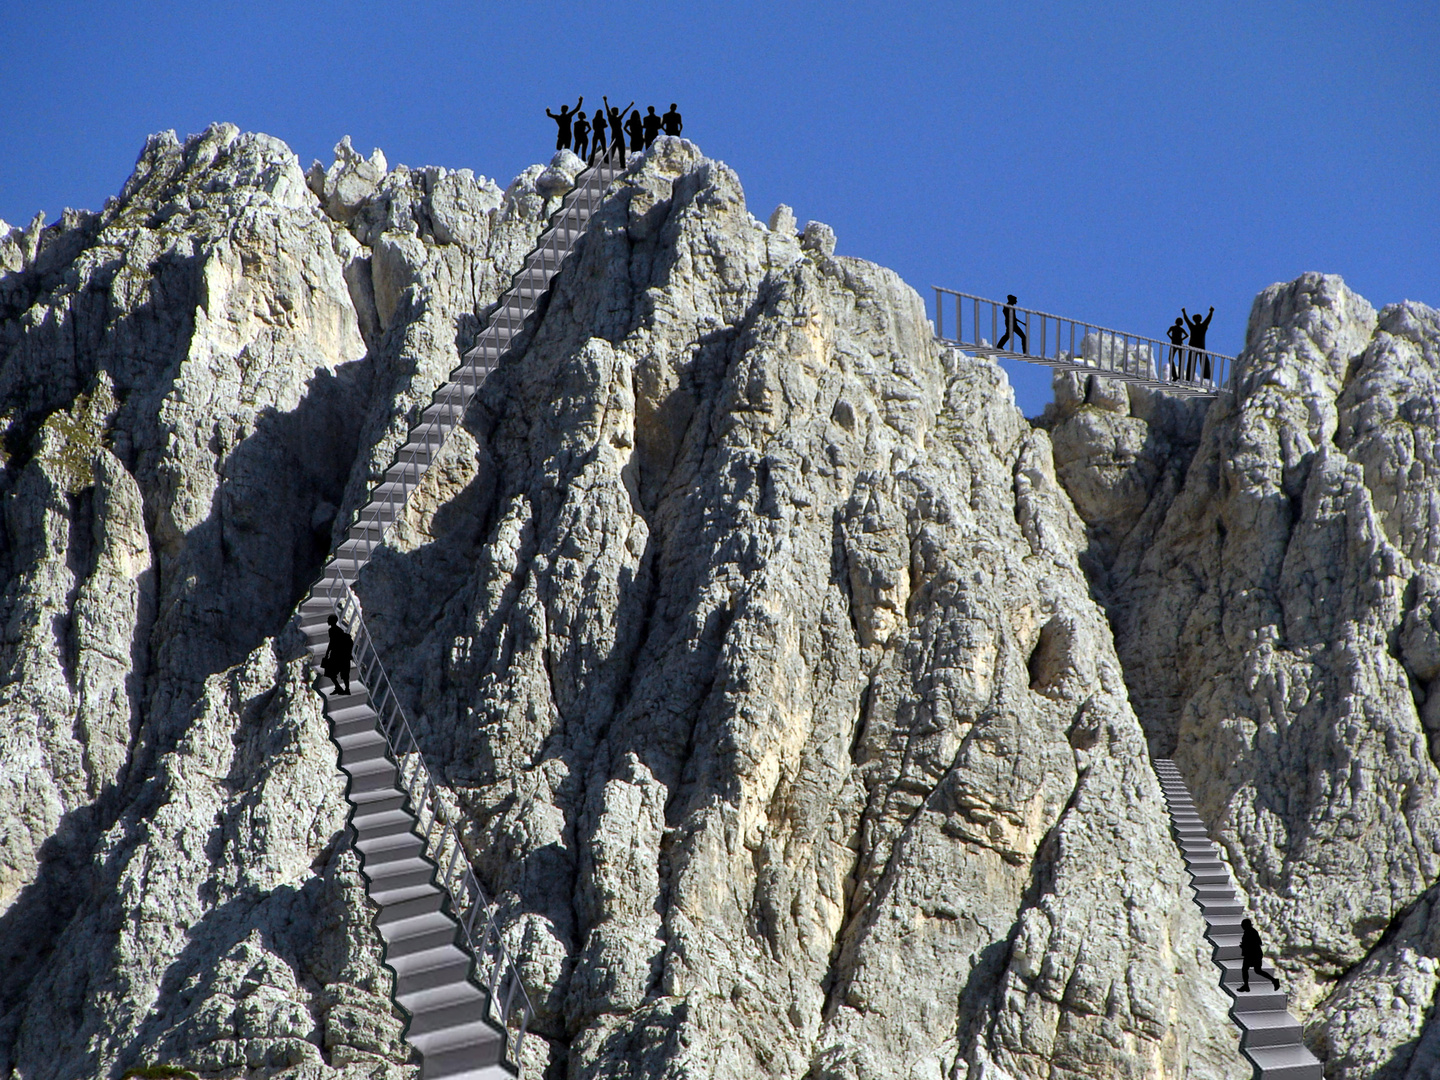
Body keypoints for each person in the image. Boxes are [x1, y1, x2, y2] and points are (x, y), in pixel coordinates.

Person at [1239, 918, 1280, 993]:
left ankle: (1246, 986)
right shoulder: (1251, 931)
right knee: (1257, 970)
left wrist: (1244, 946)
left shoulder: (1249, 932)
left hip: (1252, 954)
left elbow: (1255, 943)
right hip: (1255, 953)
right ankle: (1274, 981)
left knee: (1247, 969)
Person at [322, 614, 353, 695]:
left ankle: (340, 688)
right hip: (341, 654)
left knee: (331, 673)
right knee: (343, 674)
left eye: (329, 620)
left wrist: (327, 654)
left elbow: (331, 643)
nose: (327, 621)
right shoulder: (339, 630)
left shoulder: (332, 631)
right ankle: (345, 689)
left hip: (337, 654)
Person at [1183, 306, 1215, 381]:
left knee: (1191, 362)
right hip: (1201, 347)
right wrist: (1211, 312)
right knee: (1204, 362)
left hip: (1193, 347)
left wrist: (1184, 313)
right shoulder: (1203, 326)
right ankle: (1206, 378)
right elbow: (1208, 319)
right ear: (1200, 319)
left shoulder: (1193, 327)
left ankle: (1189, 378)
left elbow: (1186, 320)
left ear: (1194, 320)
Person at [604, 96, 633, 165]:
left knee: (620, 149)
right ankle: (610, 161)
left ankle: (621, 163)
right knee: (616, 149)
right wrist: (605, 101)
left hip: (618, 135)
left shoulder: (616, 118)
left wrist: (630, 106)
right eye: (617, 111)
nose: (618, 112)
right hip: (617, 135)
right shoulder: (612, 118)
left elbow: (624, 112)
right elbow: (607, 110)